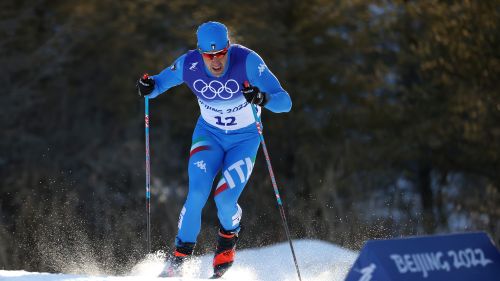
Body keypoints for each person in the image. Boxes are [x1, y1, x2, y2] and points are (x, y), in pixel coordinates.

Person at [137, 21, 291, 278]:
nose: (216, 61)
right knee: (197, 193)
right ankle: (179, 259)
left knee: (224, 199)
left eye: (220, 54)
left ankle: (228, 238)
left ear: (228, 48)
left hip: (244, 141)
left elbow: (285, 102)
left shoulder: (248, 61)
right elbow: (158, 84)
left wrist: (263, 98)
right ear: (200, 53)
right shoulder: (189, 64)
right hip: (209, 136)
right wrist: (148, 86)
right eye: (209, 56)